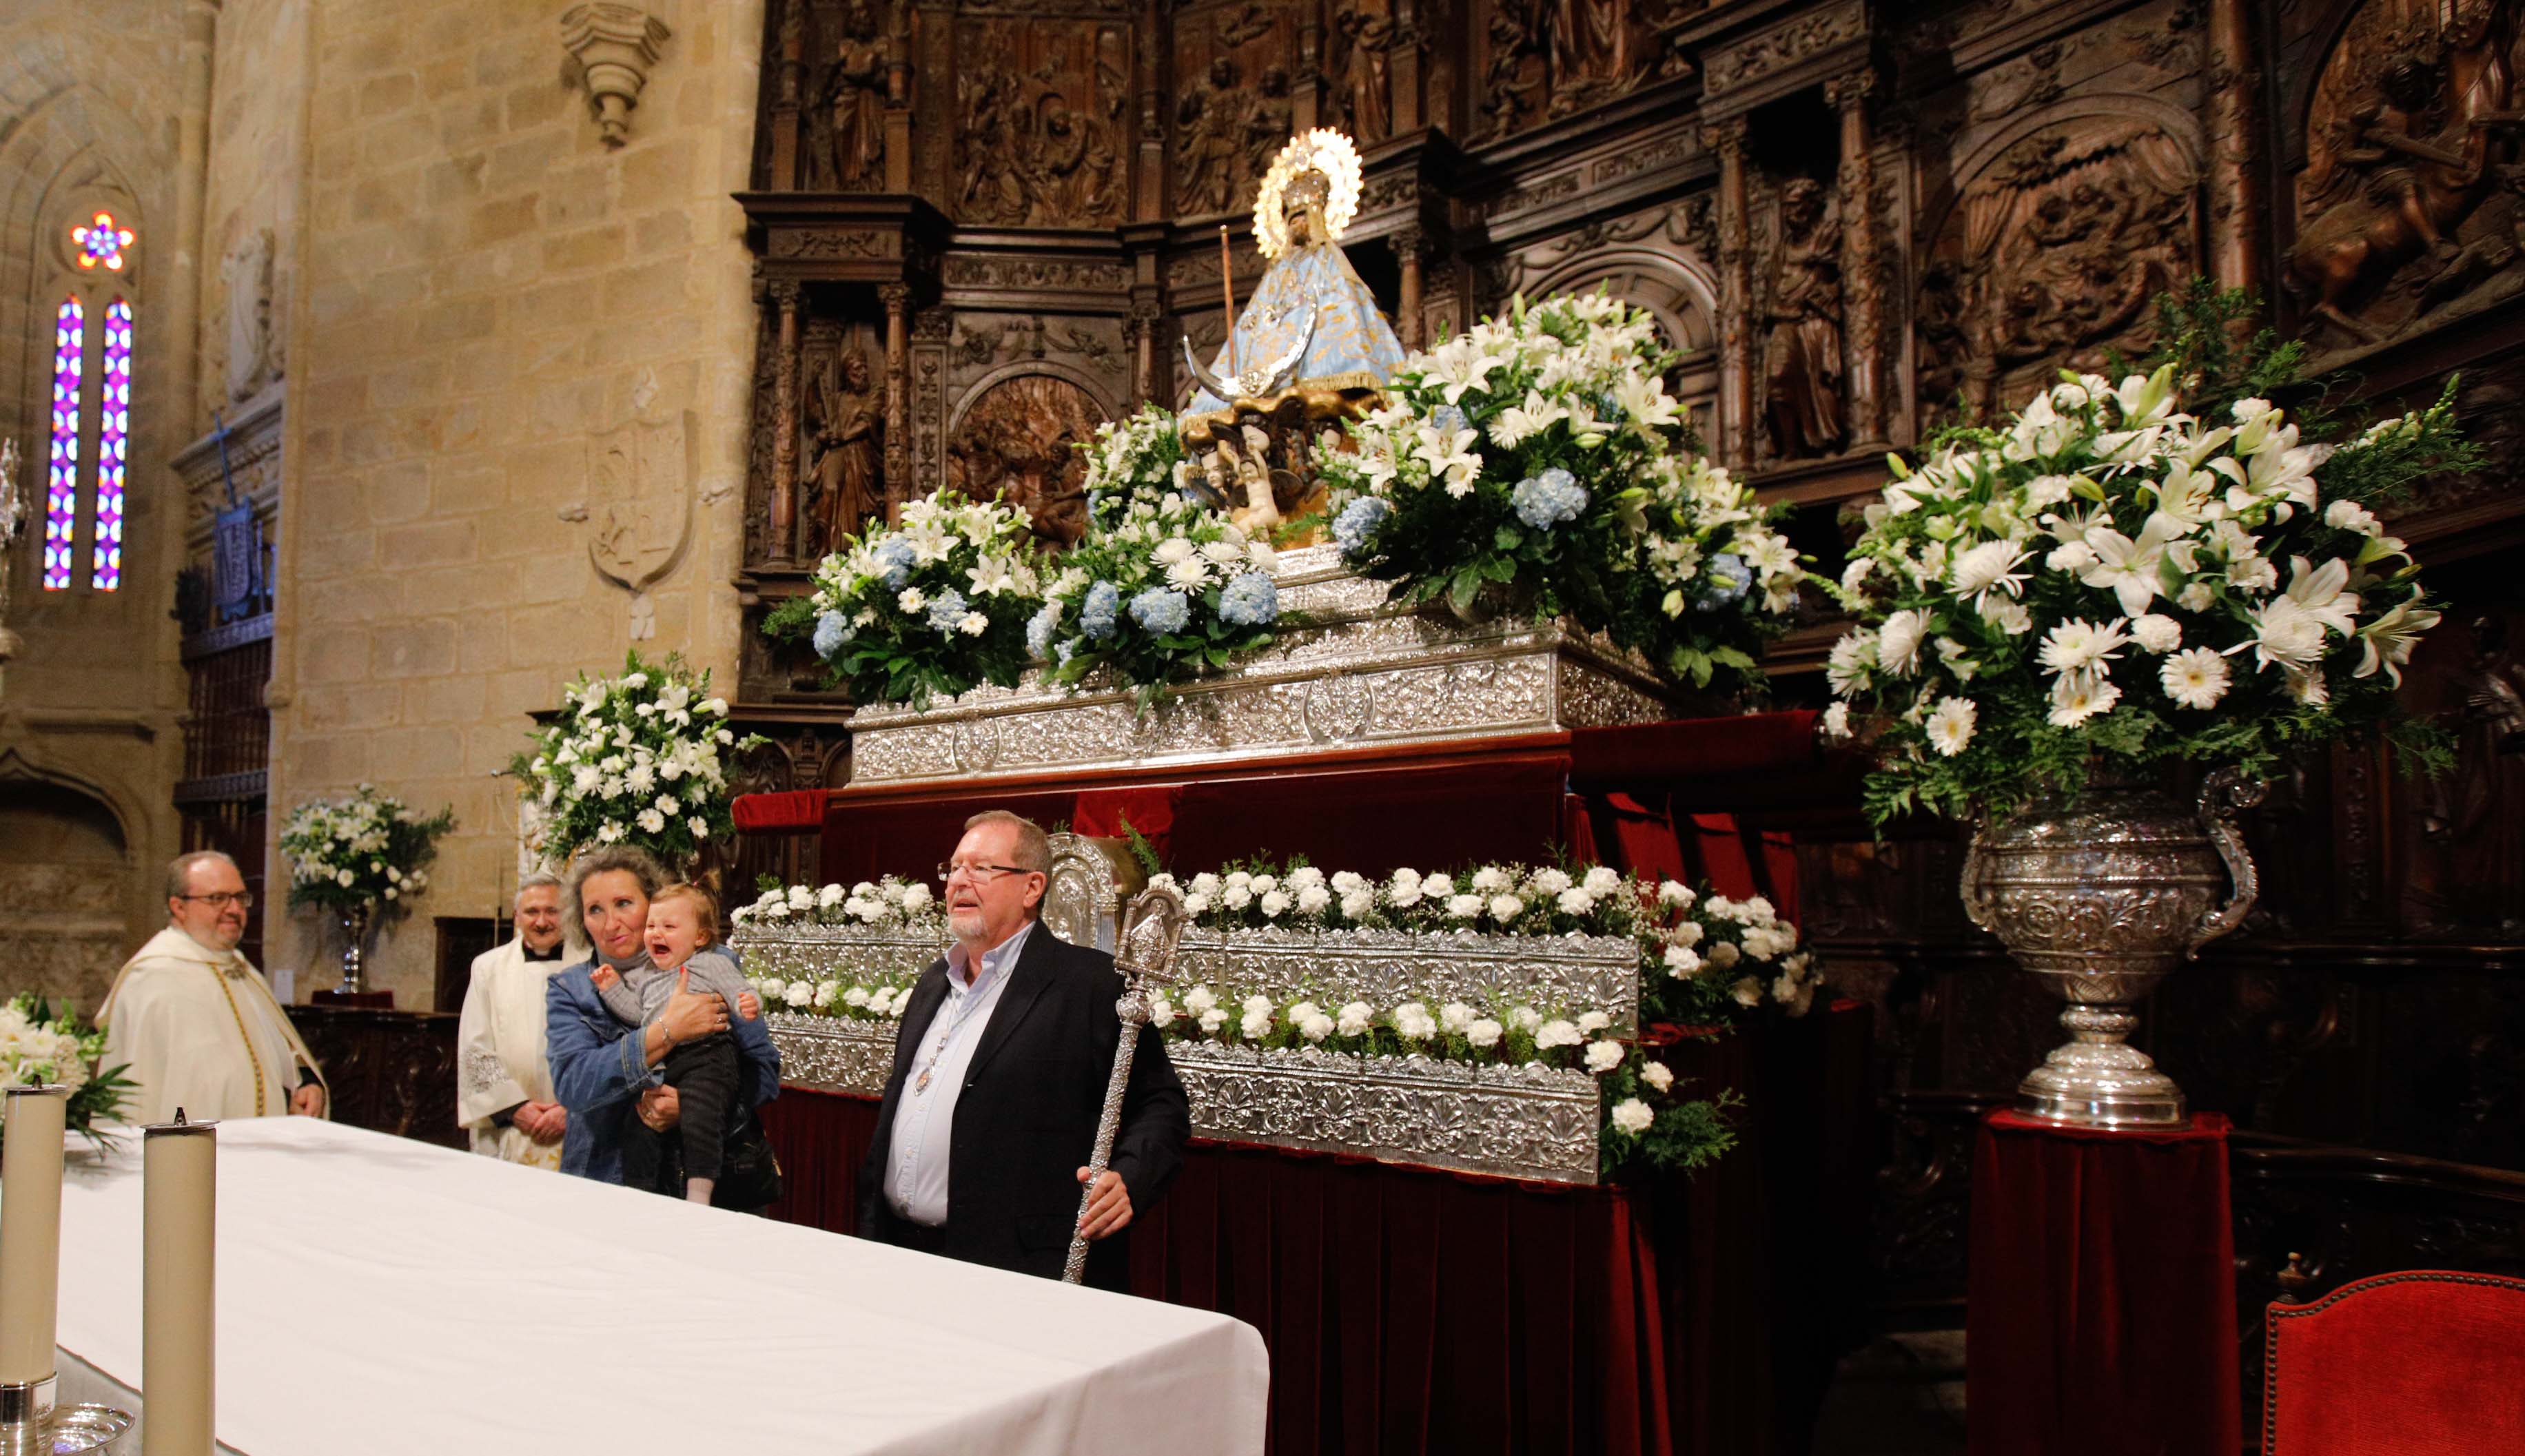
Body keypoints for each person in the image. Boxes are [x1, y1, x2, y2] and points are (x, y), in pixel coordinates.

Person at [859, 810, 1189, 1292]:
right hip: (899, 1255)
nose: (958, 881)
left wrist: (1130, 1178)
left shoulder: (1090, 985)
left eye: (981, 868)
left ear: (1032, 887)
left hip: (1012, 1269)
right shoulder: (934, 983)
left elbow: (1162, 1104)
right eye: (953, 868)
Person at [544, 846, 780, 1200]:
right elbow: (574, 1084)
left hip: (709, 1184)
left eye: (624, 903)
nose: (611, 923)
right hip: (608, 1180)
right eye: (595, 910)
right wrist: (666, 1032)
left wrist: (698, 1105)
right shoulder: (572, 988)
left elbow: (764, 1070)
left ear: (652, 904)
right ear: (582, 921)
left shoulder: (714, 962)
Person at [98, 850, 329, 1124]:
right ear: (178, 906)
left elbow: (278, 1049)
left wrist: (304, 1085)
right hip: (191, 1148)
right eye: (217, 899)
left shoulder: (242, 971)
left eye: (240, 898)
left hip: (262, 1143)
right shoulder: (152, 977)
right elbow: (141, 1085)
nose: (234, 910)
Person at [595, 883, 751, 1204]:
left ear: (700, 937)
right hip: (665, 1057)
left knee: (701, 1114)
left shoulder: (710, 963)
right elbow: (639, 1014)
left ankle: (700, 1191)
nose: (656, 934)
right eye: (652, 926)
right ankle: (639, 1191)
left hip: (707, 1054)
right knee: (639, 1120)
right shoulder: (648, 973)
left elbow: (739, 990)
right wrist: (611, 988)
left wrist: (747, 1004)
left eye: (669, 927)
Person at [456, 872, 572, 1168]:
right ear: (516, 916)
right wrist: (515, 1108)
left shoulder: (590, 964)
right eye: (532, 912)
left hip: (575, 1126)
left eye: (552, 911)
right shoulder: (488, 968)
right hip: (510, 1127)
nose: (542, 921)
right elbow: (475, 1048)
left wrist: (572, 1111)